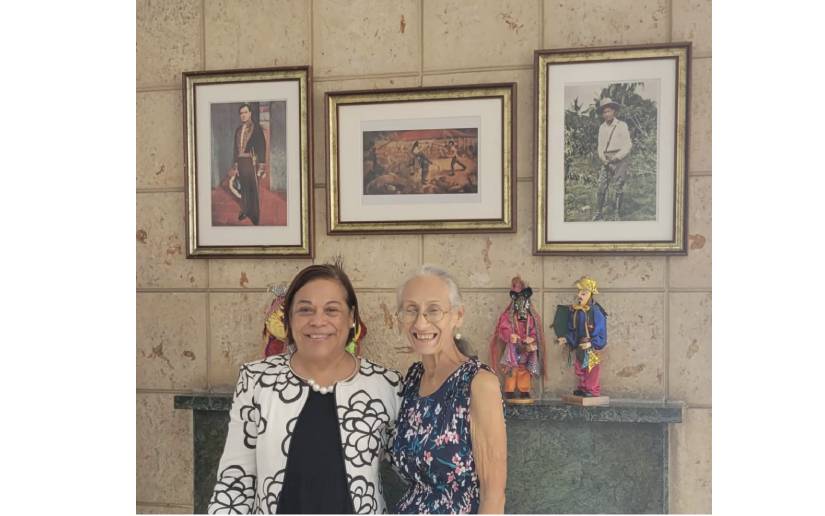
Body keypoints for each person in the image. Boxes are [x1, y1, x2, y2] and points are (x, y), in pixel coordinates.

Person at [208, 263, 403, 514]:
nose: (318, 321)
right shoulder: (257, 380)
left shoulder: (385, 384)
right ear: (288, 318)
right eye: (305, 310)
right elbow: (234, 481)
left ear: (351, 317)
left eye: (331, 310)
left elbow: (418, 470)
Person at [390, 265, 507, 514]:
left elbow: (494, 496)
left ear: (458, 315)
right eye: (411, 310)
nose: (421, 322)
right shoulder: (413, 378)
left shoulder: (478, 382)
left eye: (433, 310)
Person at [556, 276, 608, 397]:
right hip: (580, 345)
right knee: (581, 367)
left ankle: (592, 389)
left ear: (590, 295)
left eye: (583, 293)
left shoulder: (596, 312)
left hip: (591, 347)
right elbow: (574, 330)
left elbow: (602, 332)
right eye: (579, 293)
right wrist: (567, 338)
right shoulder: (577, 312)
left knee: (591, 368)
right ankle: (584, 387)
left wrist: (592, 343)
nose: (579, 296)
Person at [593, 98, 633, 220]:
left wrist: (617, 157)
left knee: (618, 186)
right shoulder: (602, 127)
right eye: (604, 112)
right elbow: (600, 146)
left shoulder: (621, 125)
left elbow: (628, 145)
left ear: (614, 111)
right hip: (606, 159)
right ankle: (598, 212)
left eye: (609, 111)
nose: (606, 114)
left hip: (620, 159)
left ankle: (617, 213)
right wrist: (603, 159)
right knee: (601, 186)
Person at [232, 103, 267, 225]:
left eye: (245, 112)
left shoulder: (256, 128)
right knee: (244, 188)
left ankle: (255, 215)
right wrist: (236, 166)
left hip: (252, 162)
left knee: (253, 189)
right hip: (241, 162)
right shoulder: (238, 130)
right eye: (241, 113)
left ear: (250, 113)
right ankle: (245, 211)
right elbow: (235, 149)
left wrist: (261, 166)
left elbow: (262, 147)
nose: (243, 115)